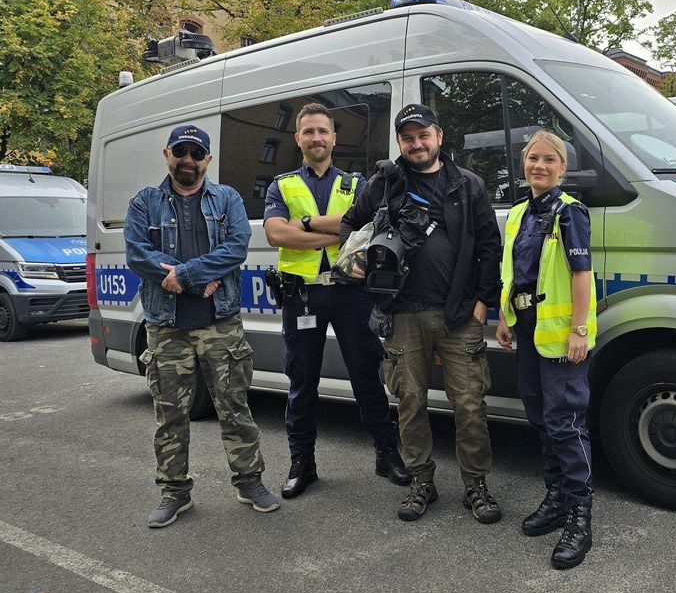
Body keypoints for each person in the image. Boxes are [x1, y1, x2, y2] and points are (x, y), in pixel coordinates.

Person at [340, 103, 503, 523]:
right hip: (402, 315)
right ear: (400, 142)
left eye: (423, 135)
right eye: (408, 137)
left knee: (469, 403)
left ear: (439, 136)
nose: (417, 143)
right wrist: (355, 260)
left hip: (459, 314)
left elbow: (489, 247)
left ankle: (476, 485)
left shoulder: (467, 186)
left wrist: (483, 303)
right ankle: (421, 482)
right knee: (410, 403)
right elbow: (349, 226)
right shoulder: (383, 184)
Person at [124, 124, 280, 528]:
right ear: (168, 155)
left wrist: (187, 274)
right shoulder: (145, 202)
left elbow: (236, 247)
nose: (188, 160)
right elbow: (138, 254)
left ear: (208, 159)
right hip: (167, 325)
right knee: (170, 413)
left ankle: (250, 482)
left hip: (219, 323)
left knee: (234, 406)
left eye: (197, 153)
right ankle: (174, 492)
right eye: (181, 152)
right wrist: (191, 277)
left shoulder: (226, 199)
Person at [263, 103, 409, 499]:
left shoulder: (356, 182)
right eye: (308, 132)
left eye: (322, 131)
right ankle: (302, 464)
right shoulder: (282, 184)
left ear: (334, 137)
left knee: (367, 377)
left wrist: (308, 225)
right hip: (303, 296)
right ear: (298, 139)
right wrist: (340, 231)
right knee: (302, 381)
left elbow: (366, 224)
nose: (316, 138)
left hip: (349, 291)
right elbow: (276, 235)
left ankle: (387, 453)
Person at [496, 130, 597, 569]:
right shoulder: (518, 213)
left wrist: (579, 330)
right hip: (527, 328)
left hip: (560, 334)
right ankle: (556, 497)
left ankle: (579, 514)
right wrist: (505, 316)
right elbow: (513, 273)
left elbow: (581, 274)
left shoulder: (569, 212)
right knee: (540, 418)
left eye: (548, 160)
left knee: (565, 423)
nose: (539, 165)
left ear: (563, 168)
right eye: (532, 158)